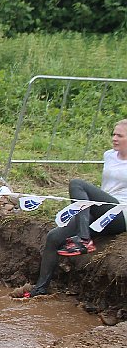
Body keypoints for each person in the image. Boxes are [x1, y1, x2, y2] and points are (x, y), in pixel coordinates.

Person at [23, 120, 127, 298]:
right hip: (101, 210)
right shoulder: (109, 155)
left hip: (120, 214)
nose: (114, 138)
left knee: (77, 183)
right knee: (53, 237)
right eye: (113, 134)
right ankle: (40, 289)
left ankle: (83, 239)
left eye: (120, 135)